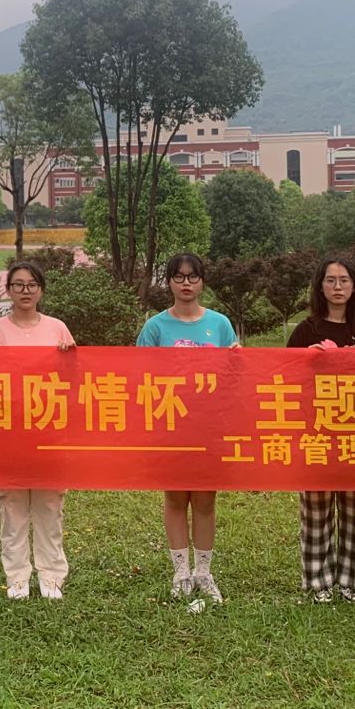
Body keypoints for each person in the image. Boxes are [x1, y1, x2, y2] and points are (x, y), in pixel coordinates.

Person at [136, 252, 238, 609]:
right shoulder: (155, 328)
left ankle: (204, 573)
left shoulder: (220, 325)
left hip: (209, 426)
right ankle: (181, 572)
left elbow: (234, 376)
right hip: (171, 426)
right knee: (176, 498)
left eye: (193, 277)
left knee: (206, 499)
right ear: (169, 282)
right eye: (178, 277)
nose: (186, 283)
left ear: (202, 282)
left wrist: (238, 361)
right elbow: (139, 376)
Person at [286, 255, 355, 604]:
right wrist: (305, 360)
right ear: (320, 287)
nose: (337, 287)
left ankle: (352, 583)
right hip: (317, 430)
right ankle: (318, 583)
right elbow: (284, 376)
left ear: (354, 286)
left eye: (344, 280)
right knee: (316, 509)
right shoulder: (306, 330)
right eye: (330, 280)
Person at [0, 259, 76, 599]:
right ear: (8, 290)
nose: (25, 291)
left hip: (49, 429)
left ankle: (51, 576)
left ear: (41, 290)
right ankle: (17, 577)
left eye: (32, 285)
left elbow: (74, 379)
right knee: (12, 506)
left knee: (49, 505)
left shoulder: (57, 328)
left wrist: (69, 358)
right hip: (8, 430)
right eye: (18, 285)